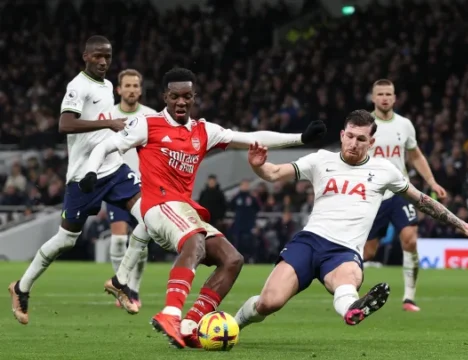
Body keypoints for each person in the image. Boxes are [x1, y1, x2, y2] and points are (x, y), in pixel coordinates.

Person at [79, 67, 327, 348]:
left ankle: (190, 325)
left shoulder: (204, 131)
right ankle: (171, 313)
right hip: (158, 206)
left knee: (232, 259)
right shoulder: (148, 124)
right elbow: (105, 146)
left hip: (184, 211)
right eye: (175, 96)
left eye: (187, 96)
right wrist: (90, 172)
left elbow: (251, 136)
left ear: (194, 97)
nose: (181, 102)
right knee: (194, 239)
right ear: (165, 97)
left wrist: (300, 139)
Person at [234, 110, 468, 330]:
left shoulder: (384, 171)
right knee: (269, 302)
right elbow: (275, 172)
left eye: (361, 138)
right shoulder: (321, 160)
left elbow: (421, 199)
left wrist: (462, 225)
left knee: (348, 280)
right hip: (310, 241)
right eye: (349, 136)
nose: (353, 143)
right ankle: (233, 326)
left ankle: (353, 310)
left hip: (344, 251)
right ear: (341, 135)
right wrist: (258, 166)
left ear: (371, 141)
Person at [8, 35, 147, 325]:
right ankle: (21, 287)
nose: (103, 61)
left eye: (107, 56)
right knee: (64, 241)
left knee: (149, 218)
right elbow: (65, 124)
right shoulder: (77, 86)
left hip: (114, 168)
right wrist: (108, 123)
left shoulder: (108, 85)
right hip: (84, 175)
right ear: (85, 56)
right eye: (97, 56)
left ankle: (121, 282)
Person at [363, 79, 448, 312]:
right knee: (367, 252)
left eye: (388, 94)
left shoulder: (405, 125)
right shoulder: (363, 124)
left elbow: (416, 155)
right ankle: (346, 288)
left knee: (410, 239)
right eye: (380, 94)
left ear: (395, 97)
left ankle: (409, 298)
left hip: (400, 190)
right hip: (372, 194)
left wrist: (431, 182)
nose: (384, 98)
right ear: (373, 98)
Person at [109, 69, 157, 309]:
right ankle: (122, 287)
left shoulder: (151, 116)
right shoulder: (108, 116)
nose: (131, 90)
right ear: (119, 89)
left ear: (140, 89)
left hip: (144, 188)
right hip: (114, 184)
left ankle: (134, 288)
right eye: (127, 86)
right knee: (118, 241)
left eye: (135, 86)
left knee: (141, 239)